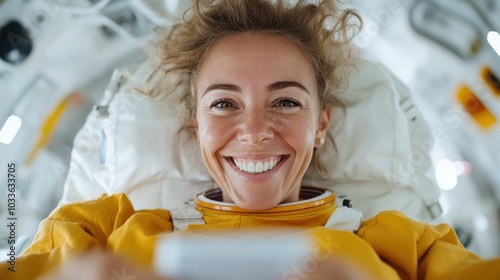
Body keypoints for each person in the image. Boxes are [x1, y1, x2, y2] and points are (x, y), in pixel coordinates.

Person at [1, 0, 499, 279]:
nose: (256, 131)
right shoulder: (102, 230)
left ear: (321, 124)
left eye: (285, 102)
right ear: (195, 124)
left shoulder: (407, 246)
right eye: (224, 103)